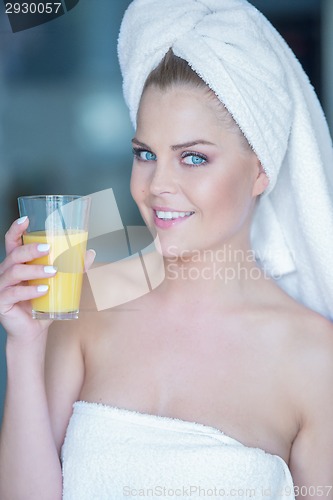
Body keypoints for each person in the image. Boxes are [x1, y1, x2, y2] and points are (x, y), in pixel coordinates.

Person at [1, 0, 333, 498]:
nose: (158, 185)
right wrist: (24, 348)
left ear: (261, 169)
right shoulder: (86, 302)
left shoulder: (315, 358)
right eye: (146, 155)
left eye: (194, 158)